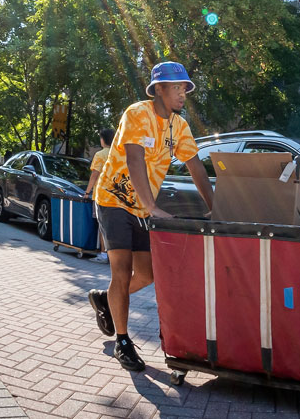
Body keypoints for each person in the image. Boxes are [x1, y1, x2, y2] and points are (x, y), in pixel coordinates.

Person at [88, 62, 215, 371]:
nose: (183, 93)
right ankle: (123, 341)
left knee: (148, 274)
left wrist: (216, 206)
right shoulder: (137, 114)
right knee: (122, 270)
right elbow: (134, 160)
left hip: (143, 208)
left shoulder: (180, 127)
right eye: (176, 87)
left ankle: (106, 300)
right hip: (112, 200)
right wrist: (152, 206)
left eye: (185, 88)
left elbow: (196, 166)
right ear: (158, 89)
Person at [84, 128, 115, 264]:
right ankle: (113, 255)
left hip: (101, 195)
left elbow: (94, 175)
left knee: (102, 226)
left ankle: (103, 254)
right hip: (116, 195)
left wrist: (87, 192)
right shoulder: (119, 153)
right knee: (113, 227)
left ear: (103, 140)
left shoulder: (100, 155)